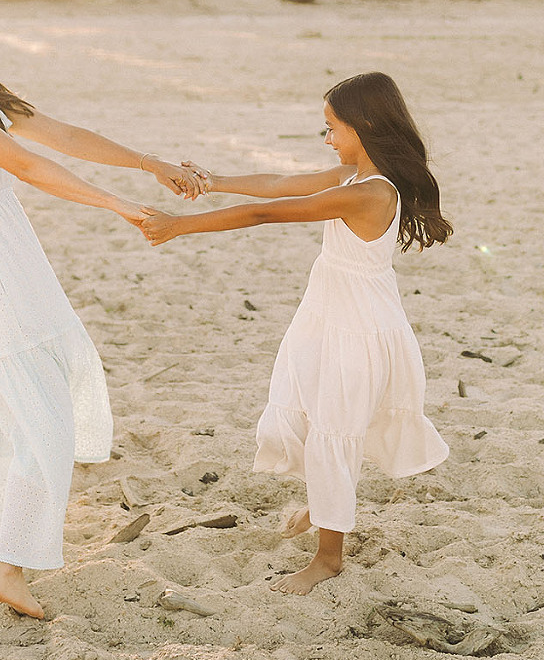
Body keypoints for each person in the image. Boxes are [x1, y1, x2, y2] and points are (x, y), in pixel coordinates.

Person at [0, 0, 205, 618]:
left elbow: (55, 134)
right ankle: (9, 567)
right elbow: (24, 163)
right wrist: (118, 206)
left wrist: (148, 163)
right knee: (45, 413)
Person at [140, 72, 452, 595]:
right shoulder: (352, 177)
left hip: (358, 329)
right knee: (314, 408)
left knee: (336, 425)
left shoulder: (369, 193)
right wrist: (211, 180)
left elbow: (268, 212)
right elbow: (279, 185)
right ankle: (326, 501)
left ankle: (328, 558)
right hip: (332, 318)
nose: (326, 138)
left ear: (366, 126)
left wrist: (179, 226)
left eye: (331, 127)